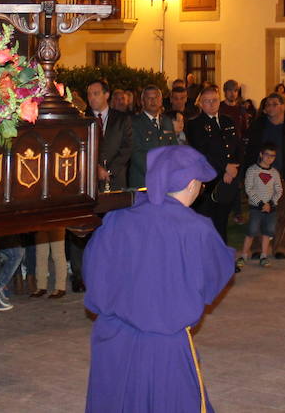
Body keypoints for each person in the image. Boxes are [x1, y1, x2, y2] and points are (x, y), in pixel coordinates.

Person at [84, 145, 234, 412]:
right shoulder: (196, 228)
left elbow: (93, 269)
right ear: (191, 184)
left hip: (113, 338)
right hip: (165, 346)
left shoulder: (117, 217)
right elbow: (216, 274)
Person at [245, 93, 285, 259]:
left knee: (284, 212)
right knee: (259, 211)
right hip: (261, 175)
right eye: (268, 104)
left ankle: (280, 247)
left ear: (282, 106)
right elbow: (250, 148)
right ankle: (257, 248)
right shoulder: (259, 125)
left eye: (274, 104)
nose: (270, 107)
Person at [184, 86, 241, 241]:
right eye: (207, 101)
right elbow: (202, 152)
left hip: (228, 180)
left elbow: (237, 146)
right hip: (208, 182)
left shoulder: (227, 121)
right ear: (200, 104)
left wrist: (233, 168)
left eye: (214, 100)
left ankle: (222, 260)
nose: (211, 104)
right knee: (207, 223)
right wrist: (224, 168)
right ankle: (207, 261)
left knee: (222, 223)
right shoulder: (194, 124)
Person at [240, 145, 283, 268]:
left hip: (270, 208)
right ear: (261, 154)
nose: (269, 158)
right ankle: (244, 255)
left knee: (268, 232)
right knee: (252, 231)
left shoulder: (274, 173)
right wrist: (260, 204)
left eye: (272, 156)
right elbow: (249, 189)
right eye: (267, 155)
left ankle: (264, 255)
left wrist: (270, 203)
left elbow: (279, 190)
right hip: (256, 208)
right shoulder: (252, 170)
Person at [87, 79, 132, 191]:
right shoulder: (83, 119)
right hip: (90, 181)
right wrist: (95, 168)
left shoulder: (122, 119)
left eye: (96, 94)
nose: (91, 98)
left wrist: (109, 171)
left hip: (116, 180)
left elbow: (127, 147)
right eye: (89, 94)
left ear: (106, 95)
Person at [129, 85, 178, 189]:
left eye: (156, 98)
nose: (153, 101)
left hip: (166, 182)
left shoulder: (167, 121)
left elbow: (174, 149)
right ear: (142, 102)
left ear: (161, 101)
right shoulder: (134, 123)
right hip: (143, 181)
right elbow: (136, 153)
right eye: (149, 98)